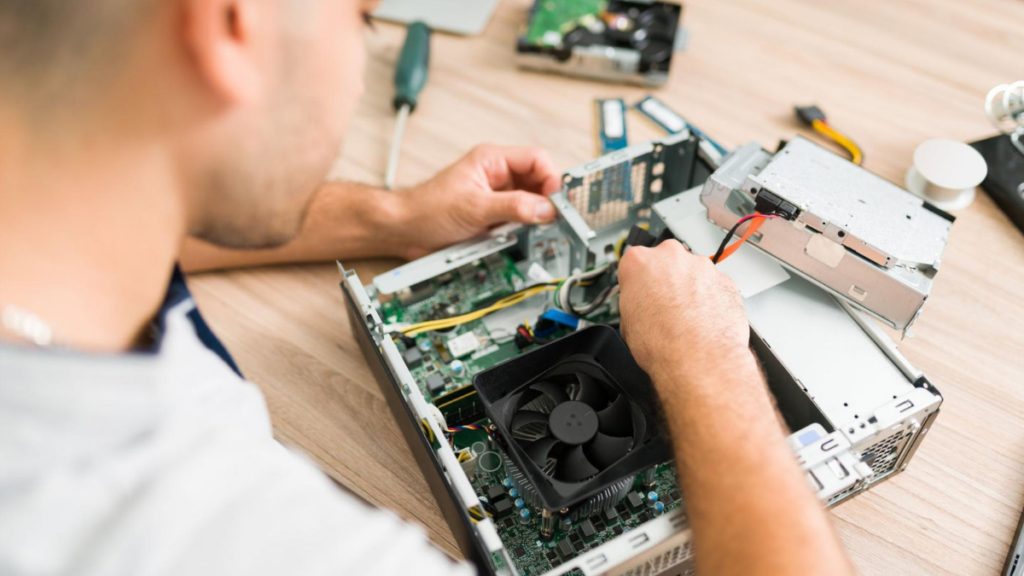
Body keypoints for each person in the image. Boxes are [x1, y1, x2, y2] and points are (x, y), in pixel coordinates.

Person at [0, 1, 854, 575]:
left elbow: (128, 184)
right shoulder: (266, 546)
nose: (363, 59)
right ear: (231, 27)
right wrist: (708, 365)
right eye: (364, 19)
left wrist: (389, 218)